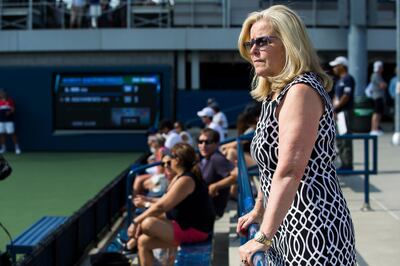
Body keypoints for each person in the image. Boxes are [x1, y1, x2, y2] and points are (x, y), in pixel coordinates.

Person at [236, 5, 355, 265]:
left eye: (263, 42)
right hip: (285, 226)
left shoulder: (301, 90)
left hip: (314, 229)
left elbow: (289, 169)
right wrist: (259, 208)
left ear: (289, 44)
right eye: (250, 43)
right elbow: (272, 164)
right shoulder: (275, 93)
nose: (253, 50)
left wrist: (262, 237)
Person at [127, 143, 215, 265]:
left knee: (148, 223)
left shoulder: (186, 180)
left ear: (177, 160)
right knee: (143, 242)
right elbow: (167, 201)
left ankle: (131, 242)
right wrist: (148, 200)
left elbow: (162, 206)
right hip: (184, 224)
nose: (166, 165)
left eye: (169, 160)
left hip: (196, 230)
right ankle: (133, 242)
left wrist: (136, 221)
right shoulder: (179, 177)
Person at [198, 128, 237, 218]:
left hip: (210, 209)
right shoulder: (205, 158)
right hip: (203, 205)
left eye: (207, 142)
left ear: (216, 144)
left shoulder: (216, 158)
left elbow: (236, 175)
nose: (203, 145)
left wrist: (215, 186)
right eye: (200, 142)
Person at [330, 56, 355, 170]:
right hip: (339, 113)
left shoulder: (348, 79)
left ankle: (348, 164)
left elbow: (346, 96)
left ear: (342, 66)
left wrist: (335, 108)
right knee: (339, 138)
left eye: (336, 66)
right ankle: (344, 163)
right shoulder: (339, 80)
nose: (334, 68)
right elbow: (337, 96)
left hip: (345, 112)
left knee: (345, 138)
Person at [0, 90, 21, 155]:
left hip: (9, 121)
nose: (2, 94)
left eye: (3, 93)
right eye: (1, 93)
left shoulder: (10, 101)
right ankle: (3, 148)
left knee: (12, 133)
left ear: (6, 94)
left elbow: (13, 109)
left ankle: (17, 148)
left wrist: (9, 112)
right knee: (2, 134)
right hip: (1, 121)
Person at [369, 60, 387, 136]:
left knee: (379, 114)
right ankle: (374, 129)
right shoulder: (375, 75)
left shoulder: (378, 75)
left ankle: (376, 128)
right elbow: (382, 85)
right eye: (381, 67)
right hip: (377, 97)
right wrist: (384, 85)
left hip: (379, 97)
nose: (382, 69)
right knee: (376, 114)